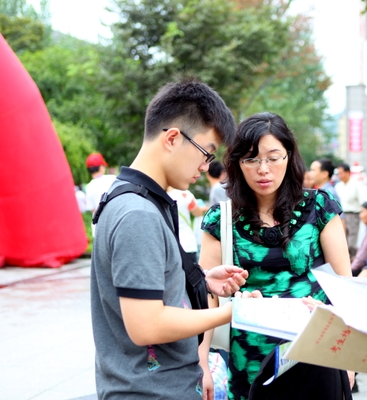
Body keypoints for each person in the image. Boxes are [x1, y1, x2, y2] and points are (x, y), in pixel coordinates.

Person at [90, 78, 253, 400]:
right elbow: (146, 325)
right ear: (173, 138)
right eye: (206, 153)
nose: (204, 166)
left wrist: (201, 280)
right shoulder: (138, 213)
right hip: (150, 392)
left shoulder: (136, 198)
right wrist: (237, 312)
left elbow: (147, 288)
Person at [199, 112, 354, 400]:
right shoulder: (221, 218)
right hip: (250, 359)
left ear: (289, 156)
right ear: (237, 163)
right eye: (251, 159)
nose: (263, 169)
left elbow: (344, 287)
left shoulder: (319, 207)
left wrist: (349, 357)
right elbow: (204, 294)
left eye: (273, 158)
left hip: (315, 353)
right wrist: (202, 362)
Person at [167, 187, 208, 260]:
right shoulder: (185, 194)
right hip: (187, 244)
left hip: (170, 245)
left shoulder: (157, 195)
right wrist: (204, 209)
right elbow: (197, 213)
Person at [335, 163, 364, 257]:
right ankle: (345, 257)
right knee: (342, 237)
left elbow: (362, 201)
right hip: (340, 215)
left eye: (341, 173)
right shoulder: (338, 186)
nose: (339, 176)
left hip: (353, 215)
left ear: (347, 172)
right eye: (338, 173)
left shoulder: (356, 185)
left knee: (352, 238)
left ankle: (352, 257)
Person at [85, 152, 116, 237]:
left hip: (98, 228)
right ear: (101, 167)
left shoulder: (89, 187)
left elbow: (92, 209)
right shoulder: (112, 179)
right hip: (114, 224)